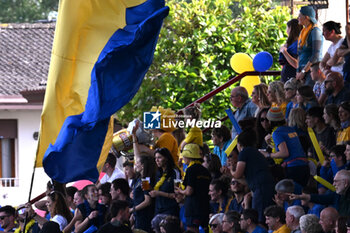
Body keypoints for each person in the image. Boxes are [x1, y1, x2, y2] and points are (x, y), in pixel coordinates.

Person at [232, 128, 274, 222]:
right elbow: (247, 180)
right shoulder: (256, 153)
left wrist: (231, 170)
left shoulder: (244, 152)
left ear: (239, 144)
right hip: (264, 187)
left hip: (260, 189)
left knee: (259, 220)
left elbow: (238, 174)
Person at [263, 107, 309, 187]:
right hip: (304, 166)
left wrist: (267, 155)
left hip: (294, 169)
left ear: (270, 121)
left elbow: (284, 153)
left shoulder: (277, 133)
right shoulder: (290, 129)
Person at [175, 143, 211, 233]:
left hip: (193, 208)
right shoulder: (205, 170)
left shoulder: (191, 170)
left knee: (192, 231)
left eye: (184, 156)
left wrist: (180, 191)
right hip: (205, 207)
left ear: (188, 156)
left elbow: (189, 191)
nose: (183, 158)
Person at [296, 6, 323, 87]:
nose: (298, 18)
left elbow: (315, 55)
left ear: (306, 17)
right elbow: (299, 54)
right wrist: (298, 71)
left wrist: (303, 71)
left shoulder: (315, 31)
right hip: (302, 70)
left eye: (300, 16)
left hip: (311, 71)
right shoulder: (303, 31)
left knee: (308, 95)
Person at [150, 148, 179, 217]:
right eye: (155, 158)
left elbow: (177, 194)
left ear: (166, 158)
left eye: (159, 157)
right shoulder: (157, 173)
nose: (156, 160)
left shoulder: (174, 172)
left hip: (170, 209)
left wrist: (159, 193)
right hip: (158, 209)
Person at [131, 155, 156, 232]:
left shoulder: (146, 181)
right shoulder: (139, 179)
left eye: (137, 162)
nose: (135, 164)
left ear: (142, 165)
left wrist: (133, 209)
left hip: (144, 217)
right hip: (138, 216)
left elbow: (147, 201)